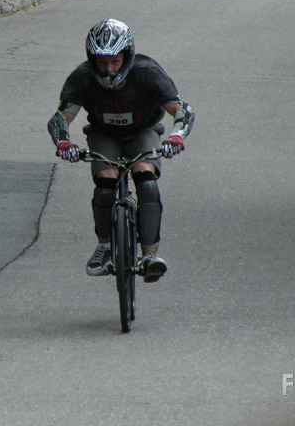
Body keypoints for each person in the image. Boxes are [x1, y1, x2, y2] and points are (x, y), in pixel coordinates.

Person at [48, 19, 195, 282]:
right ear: (91, 59)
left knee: (146, 180)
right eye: (102, 63)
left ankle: (149, 255)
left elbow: (181, 110)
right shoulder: (82, 76)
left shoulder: (148, 71)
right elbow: (62, 117)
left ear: (127, 56)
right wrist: (64, 143)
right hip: (104, 134)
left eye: (114, 62)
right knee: (105, 182)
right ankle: (104, 246)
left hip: (143, 133)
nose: (108, 70)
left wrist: (175, 137)